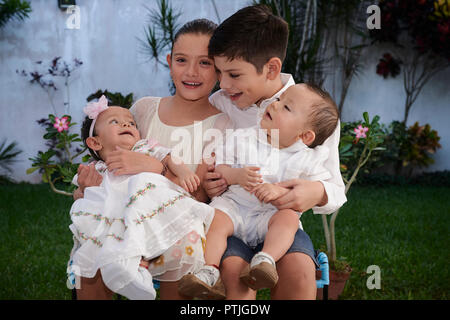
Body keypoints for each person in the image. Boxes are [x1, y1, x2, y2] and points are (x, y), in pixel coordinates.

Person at [71, 18, 232, 300]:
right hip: (124, 221)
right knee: (92, 263)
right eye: (182, 60)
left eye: (205, 63)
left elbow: (202, 195)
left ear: (219, 68)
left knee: (179, 264)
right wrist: (87, 188)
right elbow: (114, 158)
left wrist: (156, 167)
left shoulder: (221, 124)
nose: (191, 72)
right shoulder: (144, 110)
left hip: (176, 226)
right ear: (169, 61)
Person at [202, 5, 347, 299]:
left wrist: (315, 191)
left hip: (278, 223)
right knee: (233, 273)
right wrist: (210, 182)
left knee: (300, 271)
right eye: (219, 72)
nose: (223, 84)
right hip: (232, 219)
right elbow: (205, 161)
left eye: (234, 74)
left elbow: (335, 189)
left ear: (271, 68)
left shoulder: (314, 116)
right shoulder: (220, 103)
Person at [179, 83, 339, 298]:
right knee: (217, 220)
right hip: (235, 208)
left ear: (304, 137)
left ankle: (265, 260)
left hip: (270, 217)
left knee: (288, 219)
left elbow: (318, 188)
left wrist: (279, 191)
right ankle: (209, 270)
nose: (274, 105)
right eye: (279, 100)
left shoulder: (308, 159)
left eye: (286, 108)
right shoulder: (244, 137)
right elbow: (221, 166)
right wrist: (236, 176)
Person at [68, 96, 216, 300]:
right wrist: (87, 190)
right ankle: (129, 266)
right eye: (115, 122)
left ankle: (139, 261)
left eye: (131, 122)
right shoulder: (97, 169)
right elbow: (83, 201)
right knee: (91, 246)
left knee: (140, 185)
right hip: (116, 225)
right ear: (95, 142)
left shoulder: (144, 148)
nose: (126, 124)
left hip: (153, 218)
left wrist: (182, 172)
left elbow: (168, 156)